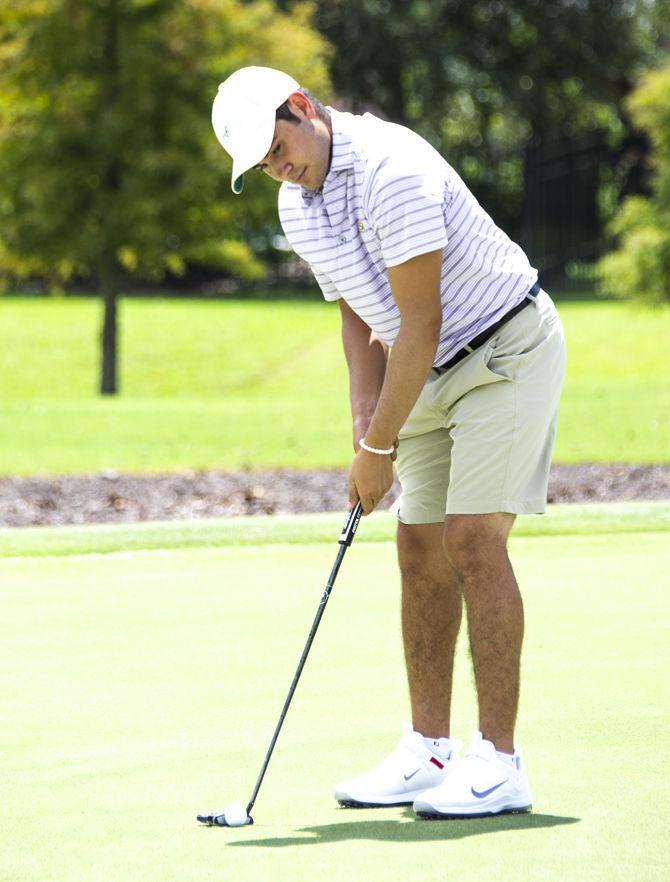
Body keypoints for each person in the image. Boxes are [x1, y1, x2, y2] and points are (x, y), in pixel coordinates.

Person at [211, 66, 566, 820]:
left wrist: (378, 451)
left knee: (473, 541)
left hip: (505, 349)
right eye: (266, 165)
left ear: (303, 107)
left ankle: (501, 764)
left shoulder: (390, 168)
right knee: (418, 548)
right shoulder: (297, 205)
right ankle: (427, 750)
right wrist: (364, 423)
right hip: (425, 368)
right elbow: (355, 313)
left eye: (281, 148)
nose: (281, 170)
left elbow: (423, 318)